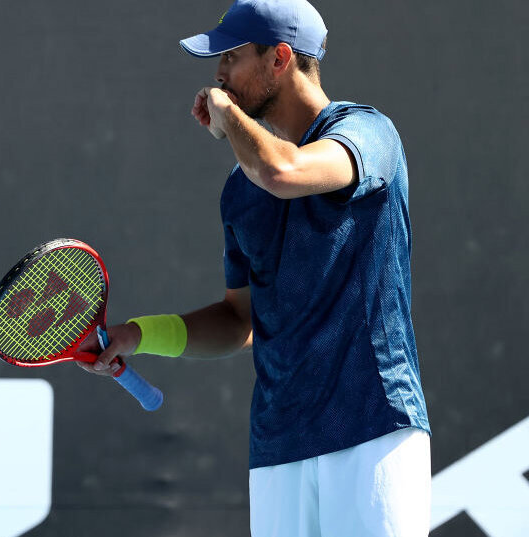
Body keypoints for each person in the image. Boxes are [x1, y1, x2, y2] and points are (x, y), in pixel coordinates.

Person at [79, 1, 431, 535]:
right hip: (278, 444)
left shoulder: (369, 132)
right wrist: (135, 335)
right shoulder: (240, 192)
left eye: (233, 57)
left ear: (280, 59)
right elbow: (240, 321)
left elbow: (281, 169)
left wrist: (227, 114)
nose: (217, 75)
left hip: (373, 427)